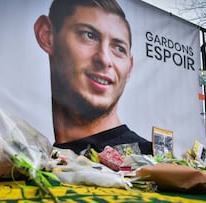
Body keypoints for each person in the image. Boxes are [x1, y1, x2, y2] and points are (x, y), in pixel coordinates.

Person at [34, 0, 152, 155]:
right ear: (47, 35)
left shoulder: (149, 162)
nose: (104, 59)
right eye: (89, 35)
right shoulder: (32, 161)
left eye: (119, 48)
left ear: (129, 68)